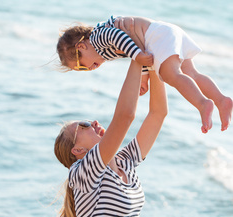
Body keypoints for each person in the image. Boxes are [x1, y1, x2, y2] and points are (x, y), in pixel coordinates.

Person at [53, 54, 168, 217]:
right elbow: (125, 116)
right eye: (83, 126)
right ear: (78, 151)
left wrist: (155, 63)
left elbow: (158, 114)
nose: (93, 122)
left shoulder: (126, 163)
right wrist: (137, 58)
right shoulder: (83, 172)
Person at [56, 16, 232, 133]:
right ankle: (221, 100)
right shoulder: (102, 49)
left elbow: (118, 37)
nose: (88, 69)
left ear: (81, 47)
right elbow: (138, 47)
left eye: (81, 66)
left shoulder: (97, 38)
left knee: (171, 75)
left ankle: (202, 104)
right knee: (191, 73)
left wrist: (138, 57)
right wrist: (144, 74)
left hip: (156, 35)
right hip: (163, 32)